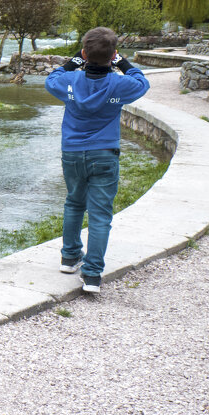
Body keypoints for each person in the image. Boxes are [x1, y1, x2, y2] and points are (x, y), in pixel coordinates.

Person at [44, 27, 150, 293]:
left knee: (74, 203)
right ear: (113, 54)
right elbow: (142, 82)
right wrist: (122, 62)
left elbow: (52, 77)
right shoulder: (119, 84)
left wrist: (75, 61)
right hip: (104, 152)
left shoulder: (70, 82)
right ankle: (92, 275)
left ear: (84, 54)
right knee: (100, 215)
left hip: (72, 152)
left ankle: (69, 258)